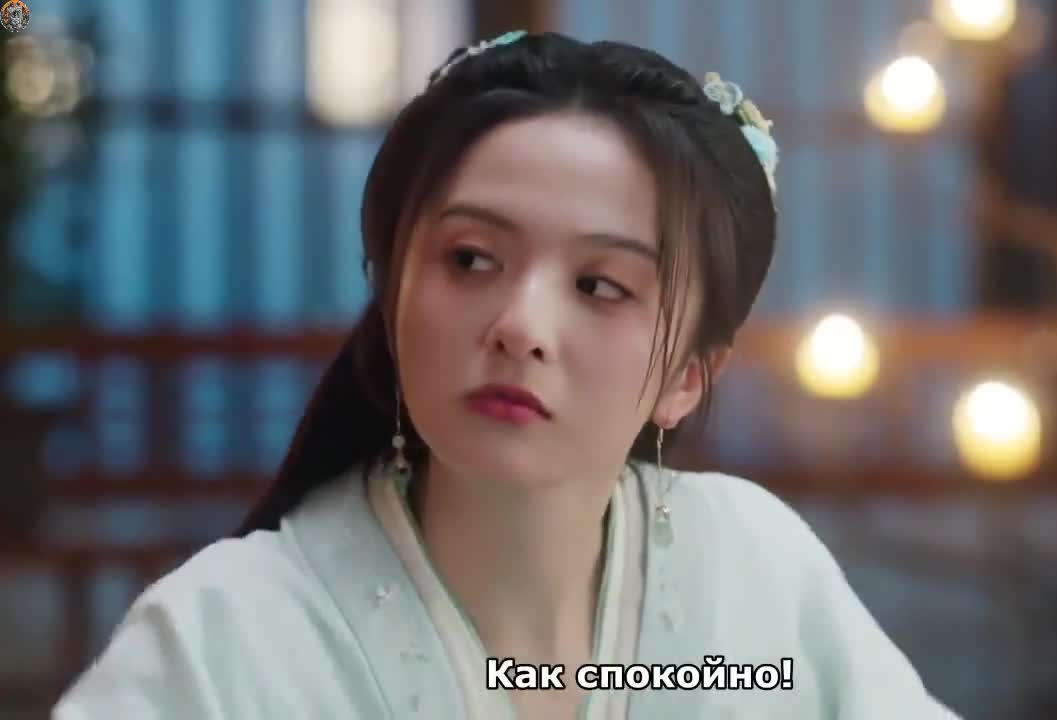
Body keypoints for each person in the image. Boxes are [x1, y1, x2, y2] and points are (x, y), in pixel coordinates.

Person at [53, 30, 958, 719]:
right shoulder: (224, 638)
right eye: (472, 259)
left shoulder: (755, 571)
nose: (521, 327)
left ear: (687, 376)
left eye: (600, 286)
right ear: (392, 292)